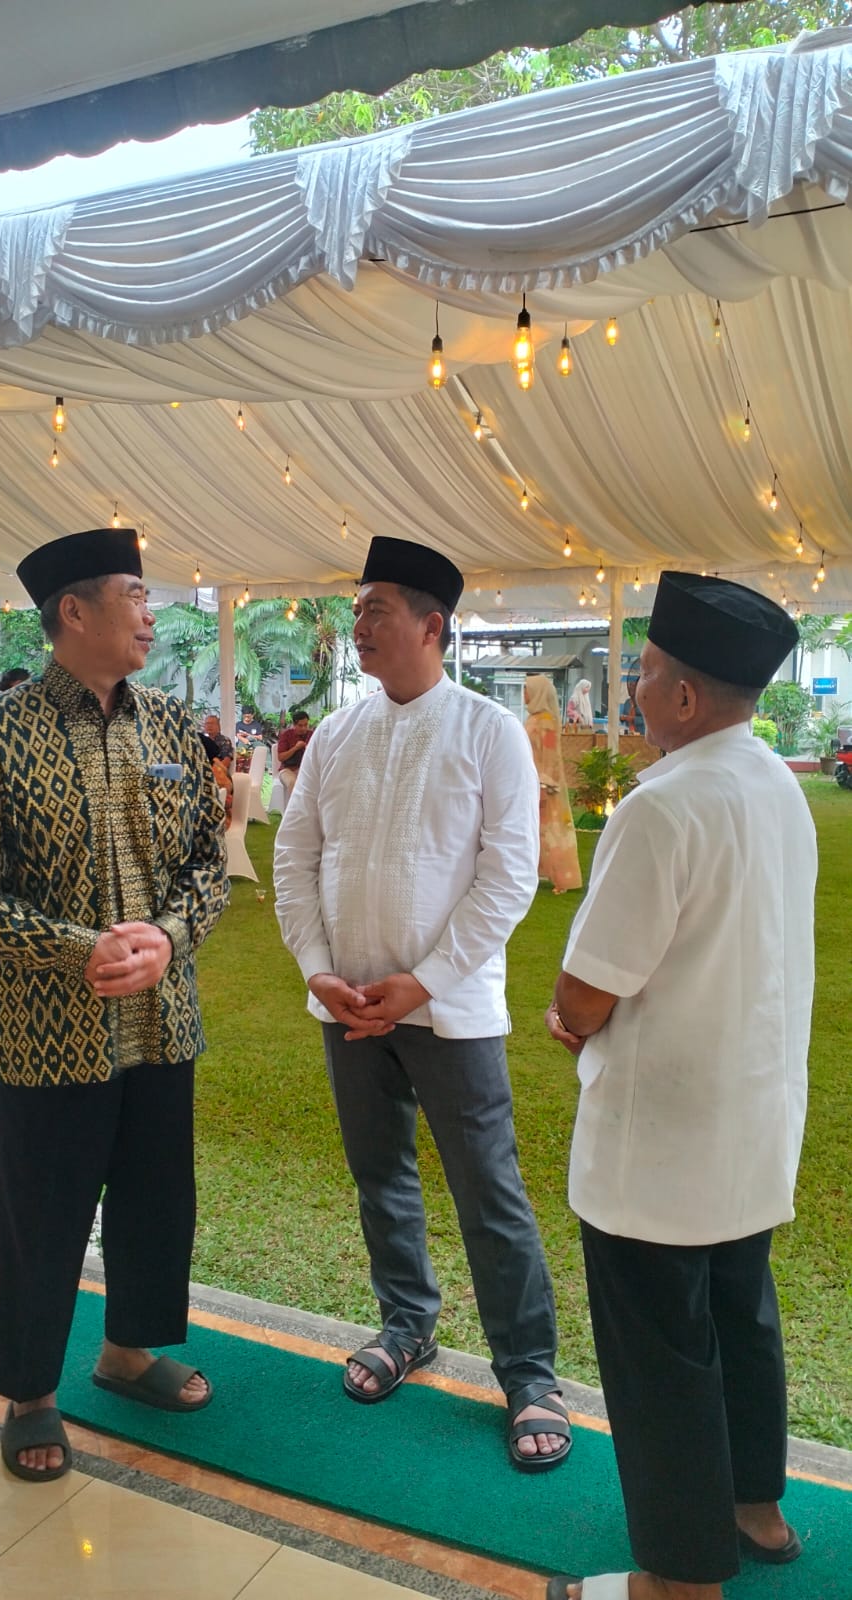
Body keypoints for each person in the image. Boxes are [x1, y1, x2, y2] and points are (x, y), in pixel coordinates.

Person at [543, 572, 815, 1600]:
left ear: (688, 697)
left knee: (661, 1354)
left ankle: (678, 1579)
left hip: (661, 1133)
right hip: (752, 1119)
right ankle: (756, 1511)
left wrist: (570, 1021)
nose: (633, 689)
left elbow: (587, 988)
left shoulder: (662, 806)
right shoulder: (778, 785)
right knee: (741, 1315)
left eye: (645, 673)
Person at [274, 535, 570, 1472]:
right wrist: (317, 969)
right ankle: (407, 1324)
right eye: (357, 609)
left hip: (451, 1012)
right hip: (348, 1007)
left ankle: (529, 1374)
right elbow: (295, 857)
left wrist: (425, 981)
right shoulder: (337, 733)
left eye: (375, 610)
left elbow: (509, 877)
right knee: (381, 1178)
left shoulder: (488, 731)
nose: (358, 625)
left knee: (489, 1191)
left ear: (432, 624)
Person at [0, 527, 229, 1483]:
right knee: (44, 1213)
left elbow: (208, 868)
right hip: (47, 1034)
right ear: (73, 611)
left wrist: (170, 937)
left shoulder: (172, 730)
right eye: (135, 595)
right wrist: (83, 950)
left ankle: (128, 1354)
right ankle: (31, 1394)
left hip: (162, 1020)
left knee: (157, 1198)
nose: (152, 613)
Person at [524, 676, 582, 893]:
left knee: (552, 831)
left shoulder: (546, 722)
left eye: (527, 689)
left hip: (544, 786)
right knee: (534, 830)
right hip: (531, 782)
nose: (524, 694)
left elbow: (550, 754)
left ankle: (562, 879)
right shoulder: (533, 719)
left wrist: (545, 783)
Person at [275, 707, 312, 797]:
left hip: (306, 769)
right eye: (300, 725)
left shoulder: (312, 734)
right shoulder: (286, 735)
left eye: (306, 725)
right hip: (287, 769)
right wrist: (295, 748)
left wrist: (308, 749)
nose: (304, 728)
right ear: (294, 725)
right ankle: (294, 806)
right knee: (293, 782)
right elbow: (281, 757)